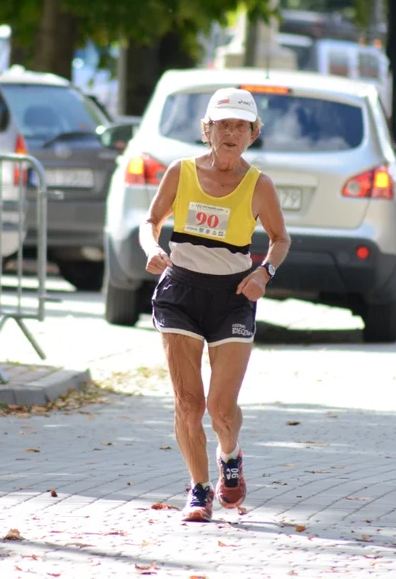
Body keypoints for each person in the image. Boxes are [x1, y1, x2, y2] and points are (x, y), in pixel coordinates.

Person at [140, 88, 290, 522]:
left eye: (240, 126)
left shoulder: (259, 185)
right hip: (181, 292)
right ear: (207, 130)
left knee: (221, 408)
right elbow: (151, 220)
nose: (231, 132)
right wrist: (151, 246)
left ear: (253, 134)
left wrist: (264, 273)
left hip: (232, 297)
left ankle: (230, 455)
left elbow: (281, 240)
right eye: (223, 124)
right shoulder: (180, 172)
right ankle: (199, 490)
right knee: (189, 403)